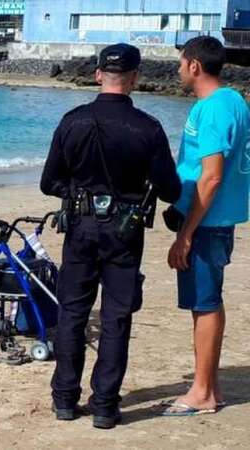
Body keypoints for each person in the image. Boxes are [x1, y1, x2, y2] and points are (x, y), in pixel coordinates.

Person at [40, 43, 181, 429]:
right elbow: (170, 189)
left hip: (81, 227)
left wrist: (77, 192)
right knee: (116, 317)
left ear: (99, 74)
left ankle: (65, 399)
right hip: (124, 230)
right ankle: (104, 405)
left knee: (73, 312)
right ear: (134, 78)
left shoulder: (73, 121)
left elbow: (49, 182)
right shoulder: (148, 127)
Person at [163, 37, 250, 417]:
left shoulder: (212, 108)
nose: (178, 70)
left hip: (207, 221)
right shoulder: (233, 100)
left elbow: (211, 176)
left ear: (195, 65)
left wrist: (185, 234)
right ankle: (210, 386)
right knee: (209, 300)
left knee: (205, 302)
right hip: (217, 218)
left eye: (181, 63)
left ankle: (201, 392)